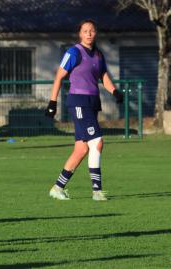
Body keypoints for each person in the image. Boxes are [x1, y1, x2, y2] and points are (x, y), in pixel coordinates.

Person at [45, 19, 123, 201]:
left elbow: (103, 76)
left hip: (93, 102)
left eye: (92, 30)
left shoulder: (98, 55)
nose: (89, 33)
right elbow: (59, 77)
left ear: (95, 34)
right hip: (78, 102)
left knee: (81, 149)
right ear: (80, 34)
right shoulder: (73, 52)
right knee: (97, 142)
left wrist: (115, 91)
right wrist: (52, 103)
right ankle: (97, 191)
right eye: (85, 31)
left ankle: (57, 188)